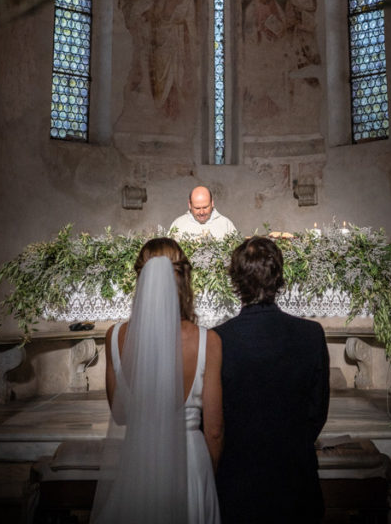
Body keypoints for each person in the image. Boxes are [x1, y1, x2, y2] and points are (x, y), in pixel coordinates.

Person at [90, 237, 223, 524]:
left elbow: (121, 416)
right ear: (183, 279)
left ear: (141, 279)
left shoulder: (115, 337)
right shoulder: (207, 341)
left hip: (139, 463)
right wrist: (207, 477)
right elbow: (213, 431)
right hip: (190, 464)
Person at [214, 236, 330, 524]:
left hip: (237, 481)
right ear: (279, 277)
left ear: (236, 281)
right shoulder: (311, 334)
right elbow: (317, 411)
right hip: (295, 477)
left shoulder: (218, 340)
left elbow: (213, 420)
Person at [169, 185, 237, 239]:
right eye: (197, 208)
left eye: (205, 207)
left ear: (212, 203)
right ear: (189, 205)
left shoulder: (225, 225)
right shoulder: (178, 225)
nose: (202, 212)